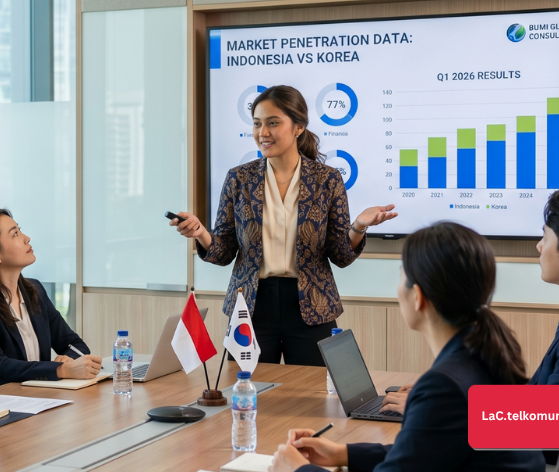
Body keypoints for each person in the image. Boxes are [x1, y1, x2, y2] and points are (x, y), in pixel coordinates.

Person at [267, 222, 545, 472]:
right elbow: (427, 451)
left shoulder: (445, 386)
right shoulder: (485, 356)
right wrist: (343, 453)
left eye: (401, 277)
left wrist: (297, 470)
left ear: (418, 298)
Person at [170, 85, 396, 365]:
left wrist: (359, 226)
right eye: (257, 124)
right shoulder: (238, 179)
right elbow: (224, 251)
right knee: (244, 395)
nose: (262, 133)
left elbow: (340, 255)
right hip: (251, 307)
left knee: (311, 398)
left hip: (312, 307)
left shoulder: (327, 180)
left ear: (299, 126)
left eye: (273, 123)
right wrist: (201, 233)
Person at [380, 188, 559, 415]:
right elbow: (550, 407)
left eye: (545, 237)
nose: (539, 246)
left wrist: (433, 412)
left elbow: (548, 429)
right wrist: (451, 393)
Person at [0, 209, 102, 383]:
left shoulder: (34, 291)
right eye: (15, 234)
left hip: (36, 396)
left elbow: (75, 345)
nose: (26, 238)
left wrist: (68, 359)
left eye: (19, 230)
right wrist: (60, 370)